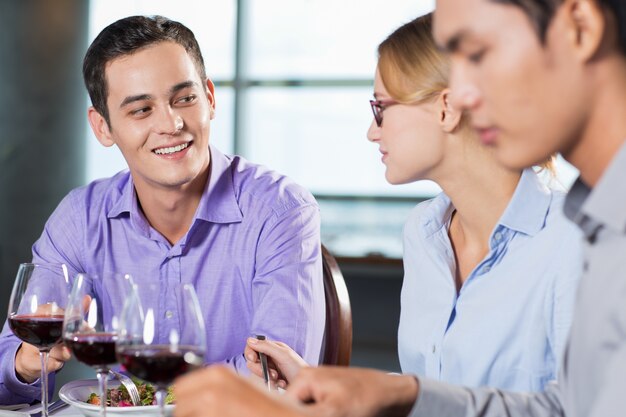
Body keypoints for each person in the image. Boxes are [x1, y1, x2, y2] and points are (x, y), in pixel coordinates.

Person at [174, 0, 626, 416]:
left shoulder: (581, 239)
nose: (468, 94)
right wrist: (371, 390)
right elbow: (477, 394)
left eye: (479, 53)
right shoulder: (425, 232)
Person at [241, 13, 582, 393]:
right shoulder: (423, 231)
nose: (372, 132)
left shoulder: (575, 242)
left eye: (381, 109)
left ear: (446, 108)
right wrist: (322, 385)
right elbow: (430, 388)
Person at [0, 15, 325, 405]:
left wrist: (138, 399)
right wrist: (27, 363)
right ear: (103, 127)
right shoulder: (79, 219)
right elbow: (8, 372)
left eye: (184, 99)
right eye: (141, 110)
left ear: (210, 98)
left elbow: (279, 377)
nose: (171, 124)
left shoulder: (279, 210)